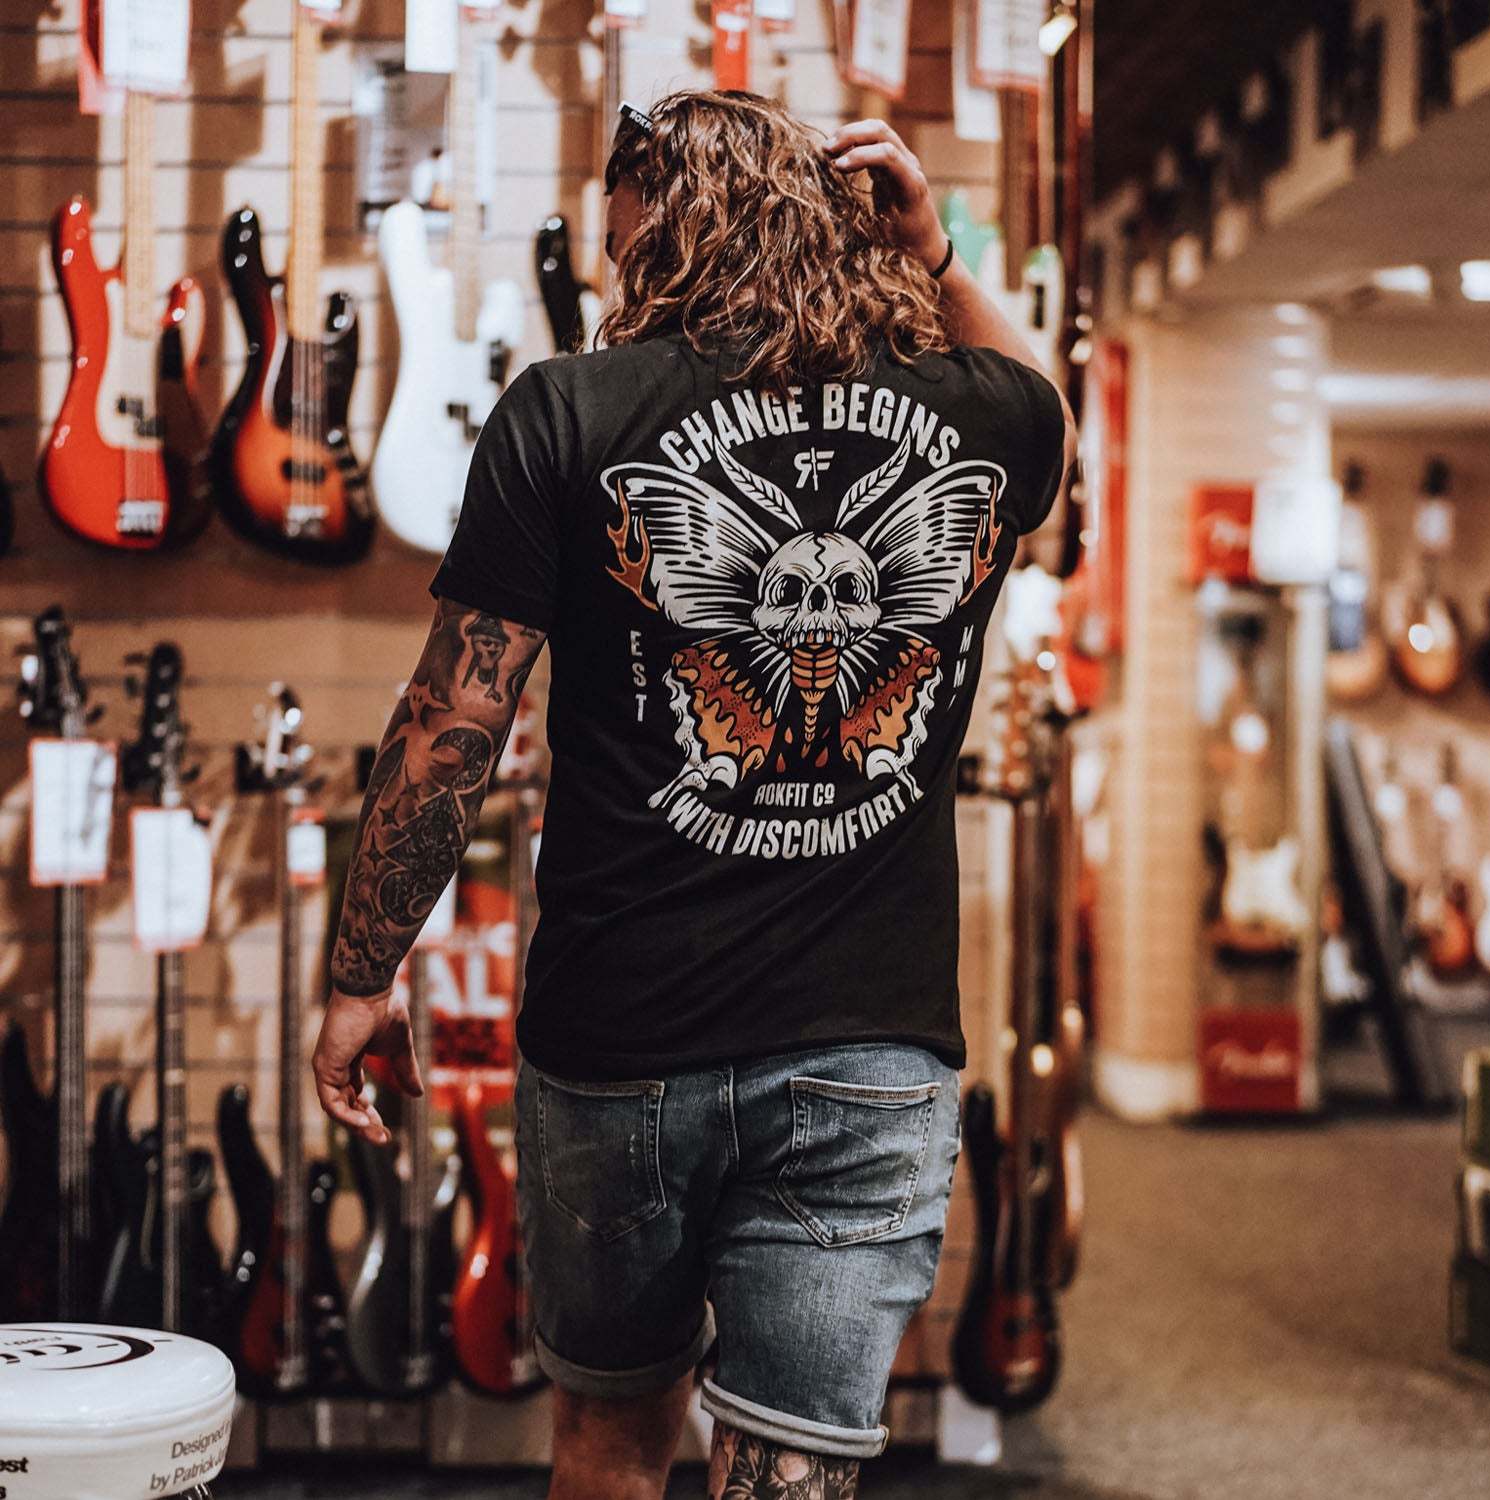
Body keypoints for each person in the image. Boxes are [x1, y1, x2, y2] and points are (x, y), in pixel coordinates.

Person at [313, 90, 1075, 1500]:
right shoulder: (980, 415)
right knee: (794, 1474)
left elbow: (452, 721)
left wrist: (361, 976)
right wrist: (938, 257)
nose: (618, 278)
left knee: (608, 1446)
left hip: (622, 1042)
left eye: (626, 247)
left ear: (666, 232)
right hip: (868, 1051)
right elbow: (1055, 437)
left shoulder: (570, 410)